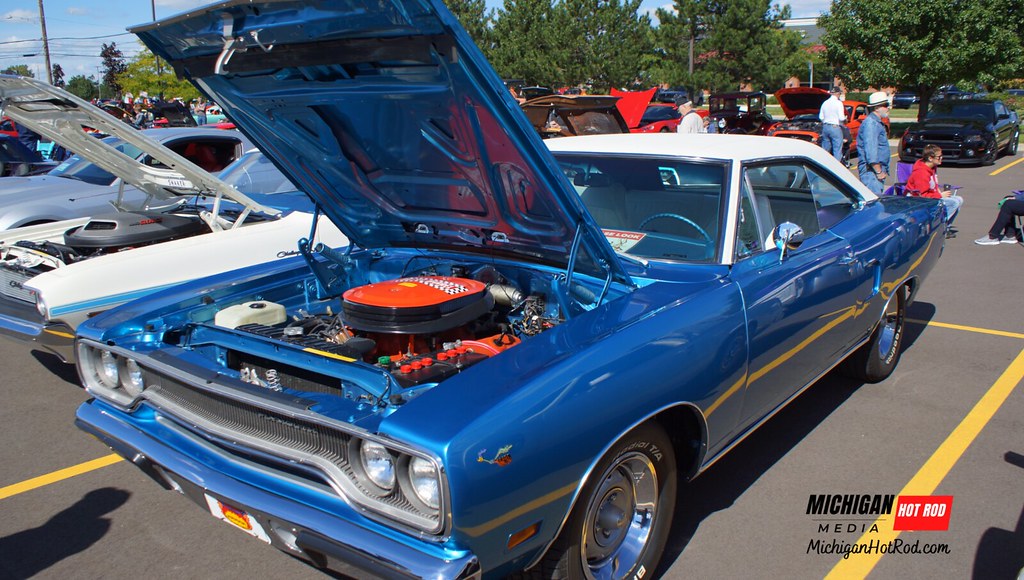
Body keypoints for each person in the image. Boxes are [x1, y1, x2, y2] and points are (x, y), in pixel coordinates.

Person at [905, 144, 963, 229]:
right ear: (930, 158)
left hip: (932, 196)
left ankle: (946, 227)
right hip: (918, 200)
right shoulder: (921, 173)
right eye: (939, 157)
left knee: (959, 199)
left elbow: (934, 186)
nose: (941, 158)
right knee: (953, 203)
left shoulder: (932, 168)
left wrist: (939, 193)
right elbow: (922, 195)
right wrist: (940, 195)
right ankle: (938, 227)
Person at [856, 91, 891, 195]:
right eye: (885, 105)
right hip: (871, 172)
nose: (888, 108)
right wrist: (878, 171)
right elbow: (871, 152)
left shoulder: (876, 123)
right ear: (877, 108)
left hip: (874, 171)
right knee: (874, 200)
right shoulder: (871, 124)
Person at [818, 86, 845, 161]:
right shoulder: (838, 103)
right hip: (835, 127)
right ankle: (836, 165)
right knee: (837, 150)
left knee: (825, 150)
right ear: (837, 93)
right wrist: (845, 119)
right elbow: (841, 118)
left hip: (825, 127)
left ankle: (823, 164)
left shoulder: (825, 103)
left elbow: (821, 117)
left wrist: (826, 122)